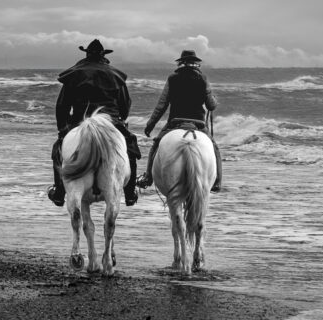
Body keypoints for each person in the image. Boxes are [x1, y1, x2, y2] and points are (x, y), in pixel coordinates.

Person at [47, 39, 142, 207]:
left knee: (59, 149)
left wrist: (62, 129)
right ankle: (130, 192)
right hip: (110, 121)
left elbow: (62, 106)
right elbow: (125, 105)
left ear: (86, 54)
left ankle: (59, 192)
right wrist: (120, 121)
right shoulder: (115, 76)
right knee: (130, 147)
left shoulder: (74, 74)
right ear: (103, 56)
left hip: (80, 121)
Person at [139, 49, 222, 192]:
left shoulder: (173, 78)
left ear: (181, 63)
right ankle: (217, 182)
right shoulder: (203, 79)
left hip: (175, 122)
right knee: (214, 148)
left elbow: (162, 105)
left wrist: (150, 125)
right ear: (196, 63)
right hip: (198, 124)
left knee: (156, 145)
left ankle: (148, 177)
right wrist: (214, 99)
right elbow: (211, 105)